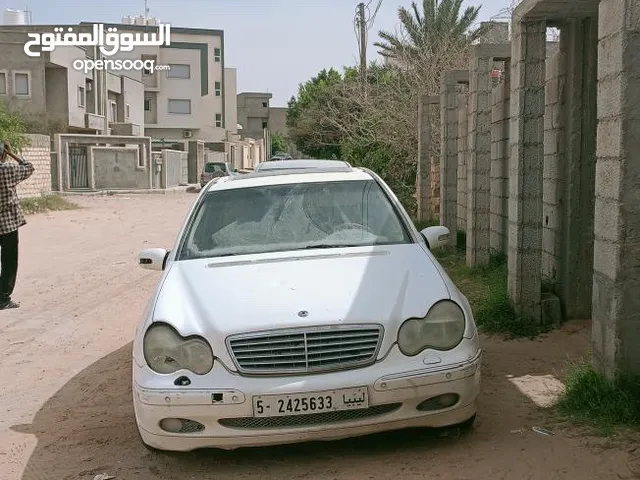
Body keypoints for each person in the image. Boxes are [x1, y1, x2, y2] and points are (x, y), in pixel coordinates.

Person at [0, 141, 34, 309]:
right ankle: (3, 299)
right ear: (3, 154)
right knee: (9, 262)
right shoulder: (8, 170)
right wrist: (11, 154)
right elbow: (29, 166)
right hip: (8, 225)